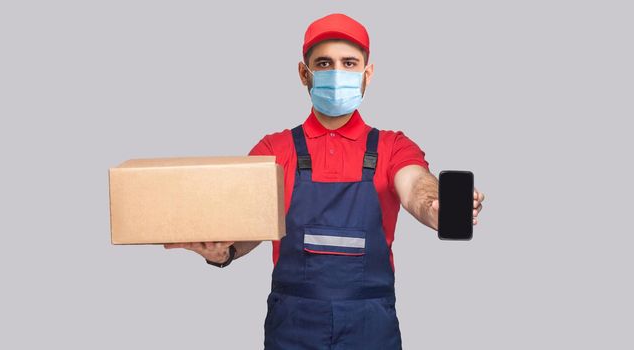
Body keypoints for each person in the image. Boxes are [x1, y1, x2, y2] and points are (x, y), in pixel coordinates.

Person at [164, 13, 485, 349]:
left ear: (367, 74)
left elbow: (416, 184)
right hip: (293, 324)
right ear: (305, 74)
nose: (337, 73)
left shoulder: (392, 146)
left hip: (370, 324)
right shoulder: (274, 149)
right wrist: (225, 252)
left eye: (349, 63)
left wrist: (436, 205)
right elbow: (250, 225)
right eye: (324, 63)